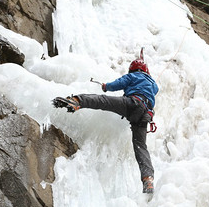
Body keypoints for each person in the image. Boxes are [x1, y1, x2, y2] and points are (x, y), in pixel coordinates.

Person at [52, 51, 159, 194]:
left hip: (131, 103)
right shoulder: (153, 84)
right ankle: (148, 179)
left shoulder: (132, 76)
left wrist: (105, 86)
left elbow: (118, 84)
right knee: (141, 146)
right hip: (144, 115)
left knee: (103, 101)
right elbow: (154, 90)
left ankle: (76, 101)